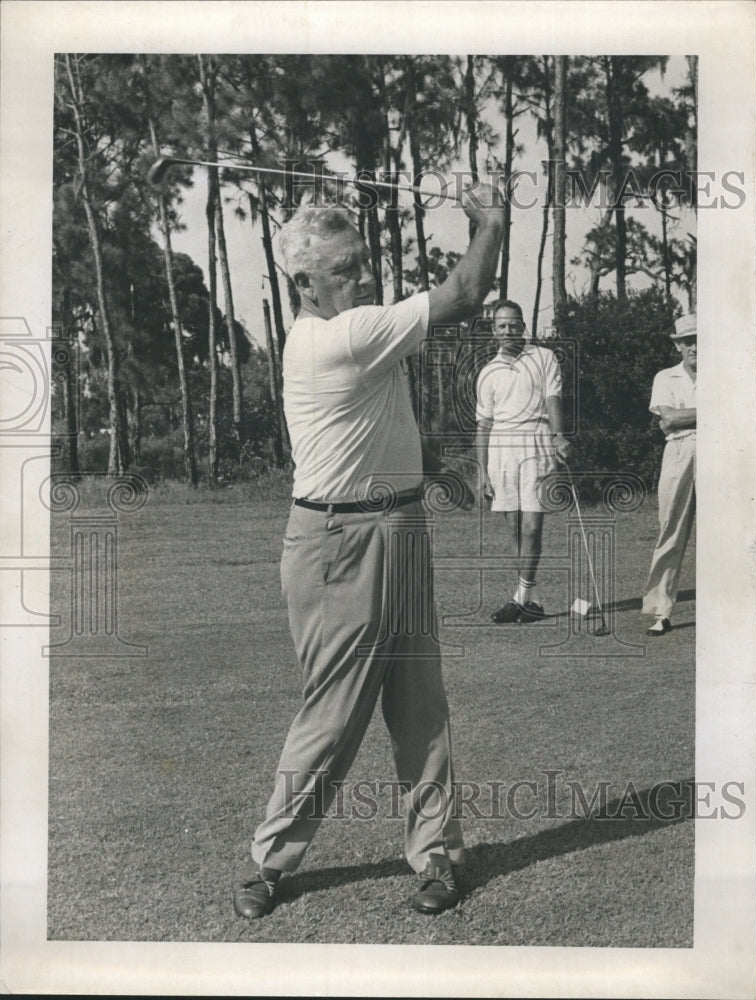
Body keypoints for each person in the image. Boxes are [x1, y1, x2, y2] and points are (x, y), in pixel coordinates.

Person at [233, 182, 505, 920]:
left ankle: (438, 856)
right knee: (334, 712)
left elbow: (378, 421)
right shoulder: (339, 337)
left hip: (398, 526)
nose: (362, 278)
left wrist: (429, 469)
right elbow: (466, 292)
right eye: (344, 269)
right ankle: (269, 861)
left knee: (421, 705)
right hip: (339, 541)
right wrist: (490, 221)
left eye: (362, 263)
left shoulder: (356, 330)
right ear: (304, 282)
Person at [475, 301, 570, 623]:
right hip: (501, 449)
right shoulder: (487, 372)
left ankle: (519, 598)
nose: (508, 331)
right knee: (515, 528)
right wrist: (482, 471)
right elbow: (483, 425)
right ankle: (532, 601)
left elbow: (553, 398)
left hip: (536, 441)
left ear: (523, 325)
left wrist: (558, 436)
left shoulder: (544, 357)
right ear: (493, 331)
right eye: (501, 326)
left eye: (513, 325)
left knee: (532, 526)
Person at [642, 313, 697, 636]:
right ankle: (661, 611)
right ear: (678, 345)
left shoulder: (726, 373)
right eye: (688, 341)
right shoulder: (665, 377)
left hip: (720, 449)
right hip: (678, 451)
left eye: (700, 340)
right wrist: (715, 411)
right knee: (670, 531)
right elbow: (670, 419)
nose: (695, 347)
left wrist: (681, 417)